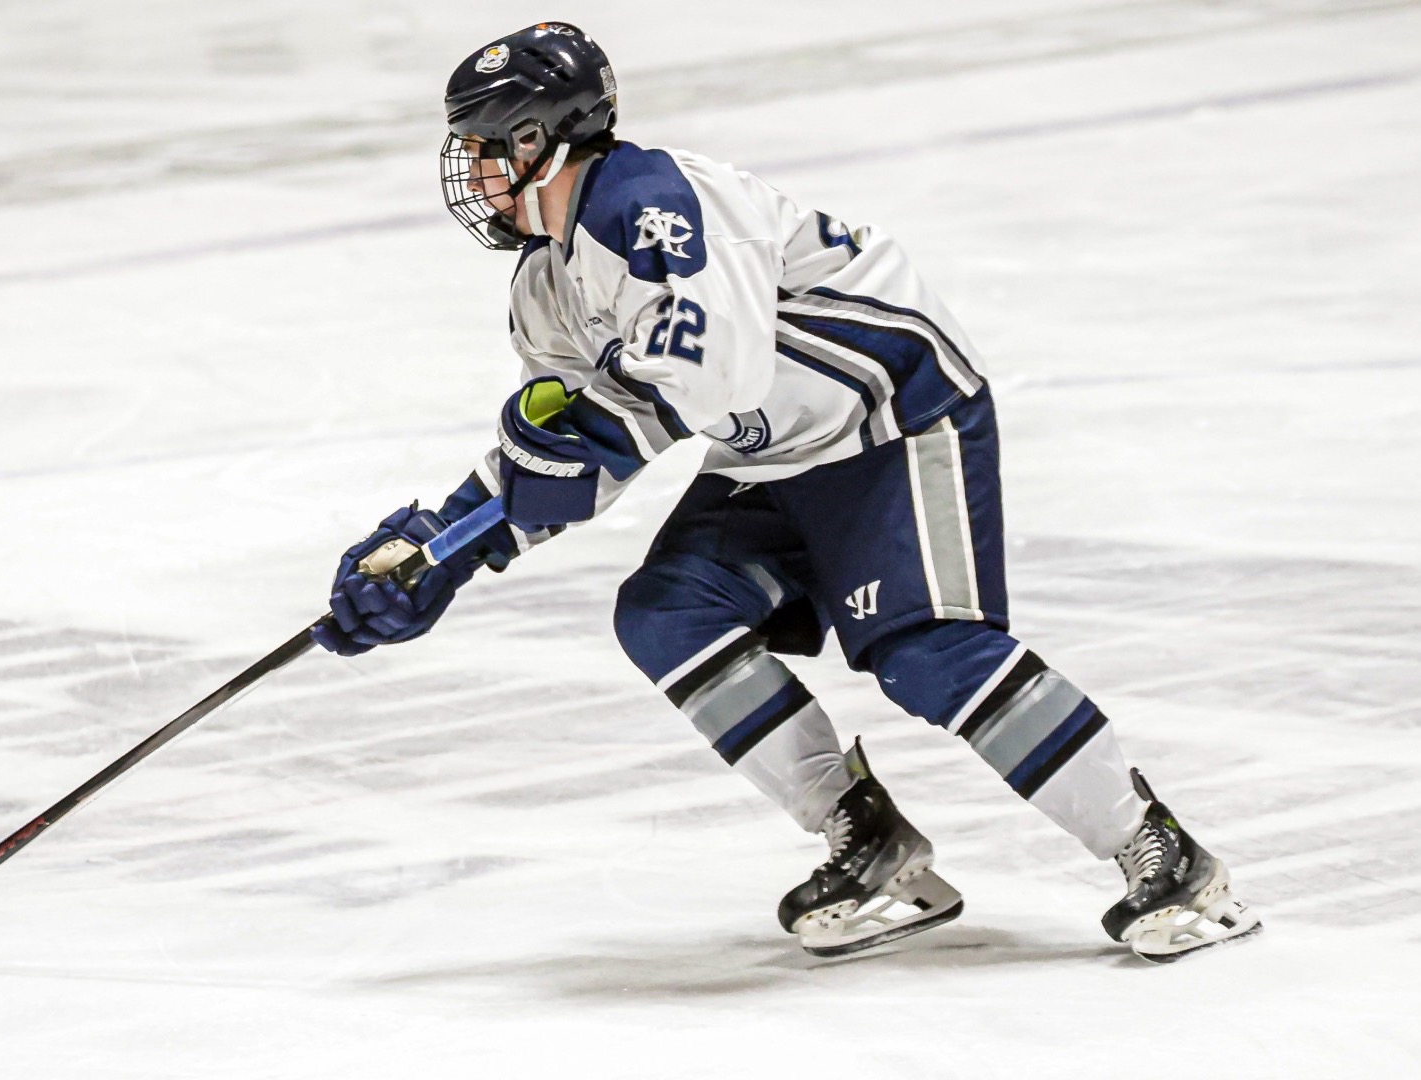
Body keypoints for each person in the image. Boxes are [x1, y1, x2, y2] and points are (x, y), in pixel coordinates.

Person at [311, 21, 1261, 963]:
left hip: (892, 415)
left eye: (481, 145)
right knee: (667, 612)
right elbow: (568, 460)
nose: (469, 172)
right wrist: (439, 548)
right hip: (772, 451)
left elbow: (705, 383)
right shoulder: (544, 288)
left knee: (930, 654)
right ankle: (872, 845)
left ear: (536, 139)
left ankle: (1165, 858)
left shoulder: (650, 203)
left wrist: (524, 488)